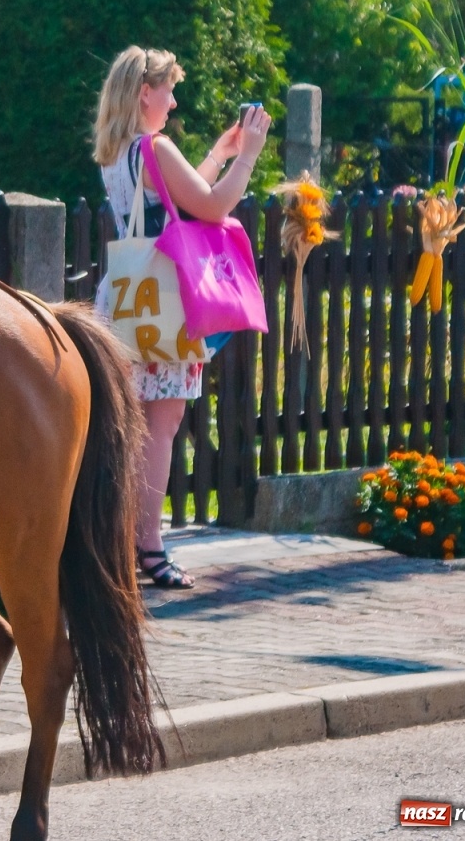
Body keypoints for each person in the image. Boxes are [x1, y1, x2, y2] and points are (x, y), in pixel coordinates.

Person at [93, 46, 270, 589]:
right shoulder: (156, 146)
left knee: (124, 429)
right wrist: (249, 155)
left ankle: (116, 543)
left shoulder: (118, 152)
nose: (173, 101)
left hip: (125, 300)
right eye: (168, 89)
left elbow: (181, 196)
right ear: (144, 92)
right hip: (167, 304)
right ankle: (149, 547)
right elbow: (213, 207)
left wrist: (217, 153)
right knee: (161, 428)